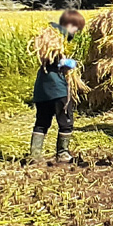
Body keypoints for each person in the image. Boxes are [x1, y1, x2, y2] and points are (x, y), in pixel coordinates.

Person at [29, 9, 85, 163]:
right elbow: (59, 61)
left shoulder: (46, 44)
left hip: (41, 89)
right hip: (58, 89)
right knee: (66, 122)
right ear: (69, 24)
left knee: (41, 122)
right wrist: (67, 64)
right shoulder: (59, 39)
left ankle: (34, 156)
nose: (75, 33)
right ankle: (62, 154)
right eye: (76, 28)